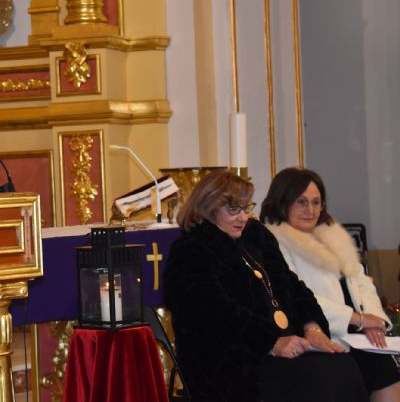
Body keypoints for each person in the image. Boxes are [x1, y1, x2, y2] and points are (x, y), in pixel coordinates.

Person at [163, 170, 368, 402]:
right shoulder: (192, 249)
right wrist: (272, 342)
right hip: (230, 361)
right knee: (314, 377)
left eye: (245, 208)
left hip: (280, 350)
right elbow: (214, 314)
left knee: (343, 367)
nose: (242, 217)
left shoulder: (256, 237)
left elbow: (293, 286)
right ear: (209, 208)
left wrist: (313, 328)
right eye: (233, 209)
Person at [261, 167, 400, 401]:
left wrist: (373, 321)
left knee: (386, 369)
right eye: (302, 202)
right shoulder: (275, 242)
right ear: (283, 202)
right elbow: (300, 296)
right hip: (321, 333)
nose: (311, 210)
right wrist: (357, 319)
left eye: (317, 202)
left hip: (357, 334)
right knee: (351, 372)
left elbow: (362, 281)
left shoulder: (332, 235)